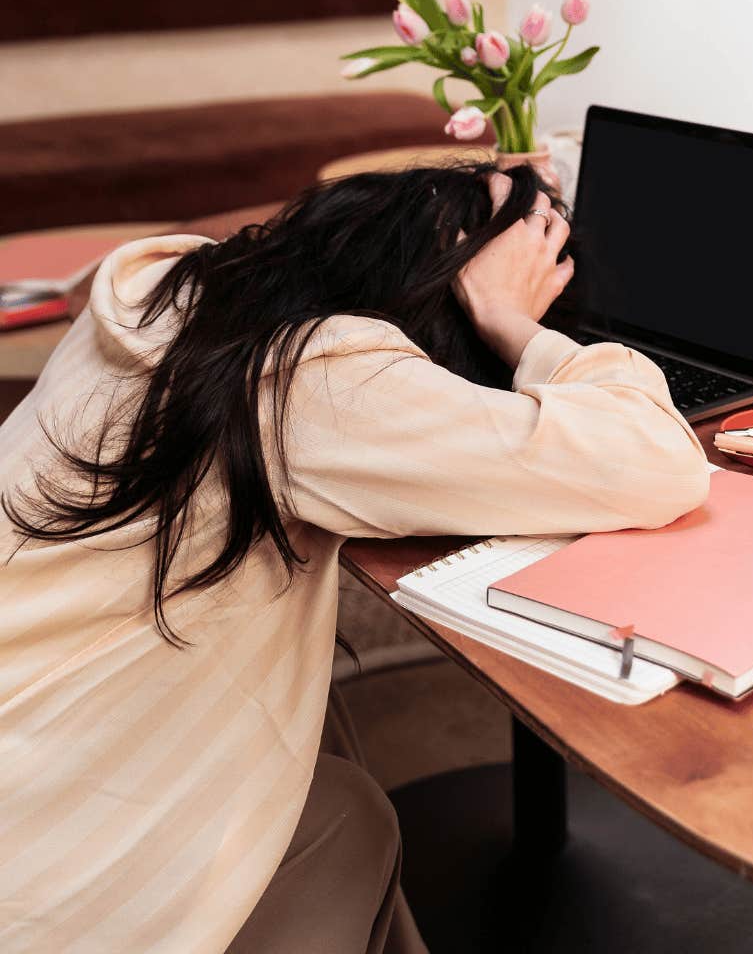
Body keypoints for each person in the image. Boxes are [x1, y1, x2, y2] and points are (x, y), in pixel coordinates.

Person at [0, 164, 709, 953]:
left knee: (341, 804)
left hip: (27, 730)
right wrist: (516, 322)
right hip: (32, 844)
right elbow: (656, 462)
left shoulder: (168, 288)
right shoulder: (321, 380)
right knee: (351, 821)